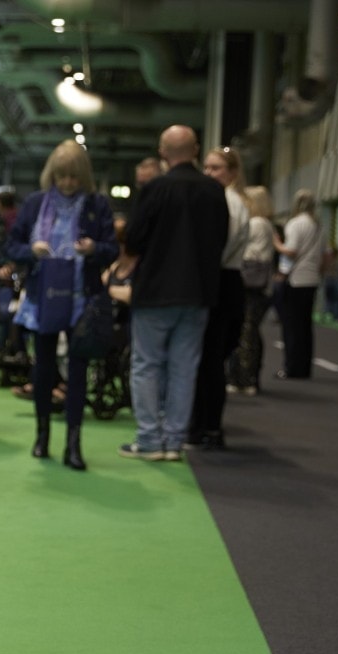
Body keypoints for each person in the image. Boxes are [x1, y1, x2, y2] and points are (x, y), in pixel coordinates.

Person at [6, 140, 118, 470]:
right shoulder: (35, 203)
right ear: (51, 175)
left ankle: (73, 442)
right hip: (43, 298)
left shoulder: (98, 204)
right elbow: (11, 246)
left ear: (84, 176)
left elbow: (112, 249)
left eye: (74, 177)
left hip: (82, 300)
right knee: (42, 370)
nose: (68, 183)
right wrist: (32, 250)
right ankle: (42, 436)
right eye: (62, 177)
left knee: (79, 373)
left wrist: (93, 248)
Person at [119, 125, 229, 461]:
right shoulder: (214, 191)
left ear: (163, 152)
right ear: (195, 150)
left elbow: (134, 239)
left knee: (147, 365)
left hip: (155, 291)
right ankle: (174, 441)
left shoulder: (155, 189)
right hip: (198, 292)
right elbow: (221, 240)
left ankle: (149, 440)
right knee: (184, 367)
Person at [186, 147, 250, 450]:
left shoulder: (231, 203)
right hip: (219, 280)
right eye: (207, 168)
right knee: (207, 361)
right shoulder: (219, 199)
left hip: (222, 282)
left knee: (210, 361)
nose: (210, 174)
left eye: (217, 169)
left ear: (233, 173)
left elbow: (220, 249)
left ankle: (208, 427)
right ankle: (204, 425)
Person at [227, 185, 278, 394]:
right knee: (252, 331)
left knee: (247, 332)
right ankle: (249, 377)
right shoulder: (266, 224)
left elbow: (244, 251)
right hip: (260, 285)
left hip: (250, 284)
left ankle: (244, 379)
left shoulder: (256, 224)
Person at [272, 189, 322, 380]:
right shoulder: (318, 225)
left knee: (291, 327)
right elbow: (323, 257)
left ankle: (291, 367)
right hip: (312, 279)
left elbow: (290, 251)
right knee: (305, 327)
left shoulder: (295, 224)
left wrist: (276, 243)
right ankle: (304, 367)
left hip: (295, 279)